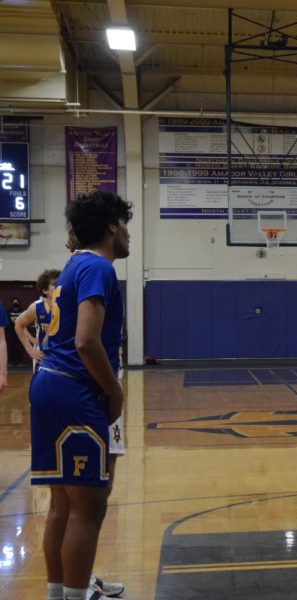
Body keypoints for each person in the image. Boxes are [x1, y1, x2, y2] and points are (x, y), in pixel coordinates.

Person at [31, 190, 131, 600]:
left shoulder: (73, 265)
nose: (128, 235)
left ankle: (60, 594)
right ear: (111, 226)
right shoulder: (97, 267)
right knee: (89, 507)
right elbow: (87, 341)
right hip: (76, 390)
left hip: (50, 385)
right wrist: (116, 393)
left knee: (62, 505)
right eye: (124, 225)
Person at [14, 269, 61, 369]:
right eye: (55, 284)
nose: (59, 287)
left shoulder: (68, 306)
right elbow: (18, 324)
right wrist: (30, 350)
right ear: (45, 290)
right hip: (43, 355)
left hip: (62, 355)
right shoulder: (36, 307)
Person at [7, 297, 24, 366]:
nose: (15, 303)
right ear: (12, 303)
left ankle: (20, 362)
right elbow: (7, 321)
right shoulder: (8, 311)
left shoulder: (22, 311)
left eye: (16, 302)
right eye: (14, 302)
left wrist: (17, 320)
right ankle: (11, 362)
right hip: (11, 332)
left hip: (20, 332)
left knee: (19, 347)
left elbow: (24, 320)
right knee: (11, 348)